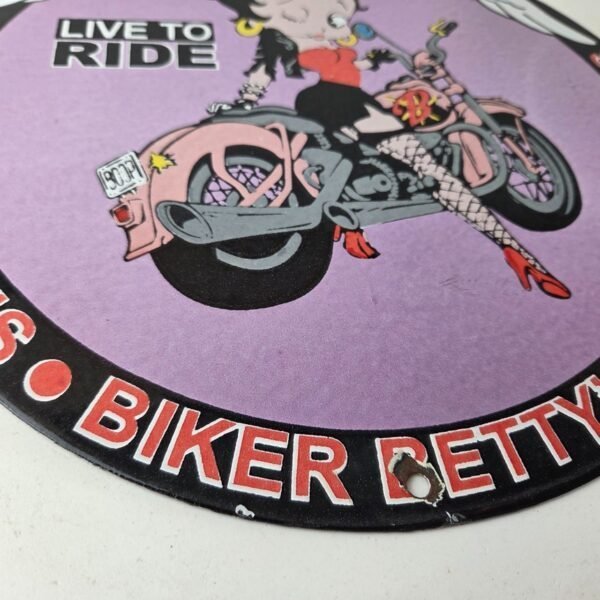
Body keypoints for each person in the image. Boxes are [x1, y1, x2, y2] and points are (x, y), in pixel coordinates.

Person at [211, 0, 571, 299]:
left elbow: (341, 68)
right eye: (296, 14)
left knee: (350, 155)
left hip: (331, 100)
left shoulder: (334, 49)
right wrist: (244, 102)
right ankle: (515, 252)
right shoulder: (284, 41)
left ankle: (349, 223)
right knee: (429, 168)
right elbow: (262, 72)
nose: (323, 23)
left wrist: (373, 61)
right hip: (343, 102)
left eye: (335, 15)